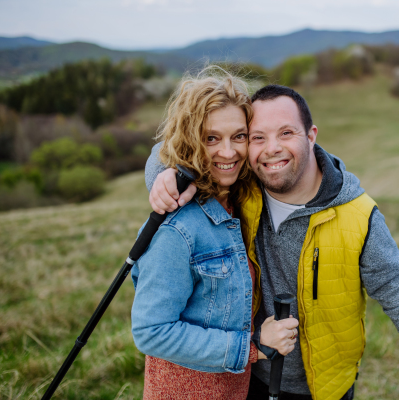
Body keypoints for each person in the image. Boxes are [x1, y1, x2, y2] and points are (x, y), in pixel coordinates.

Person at [145, 84, 399, 400]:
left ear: (311, 136)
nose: (272, 148)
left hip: (326, 386)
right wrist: (162, 174)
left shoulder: (357, 213)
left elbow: (396, 286)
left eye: (286, 133)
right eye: (258, 137)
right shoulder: (244, 188)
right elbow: (185, 146)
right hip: (251, 374)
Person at [130, 73, 299, 400]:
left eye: (239, 136)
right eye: (211, 139)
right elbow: (151, 332)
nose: (228, 152)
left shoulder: (240, 203)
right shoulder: (177, 229)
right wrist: (251, 345)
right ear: (191, 140)